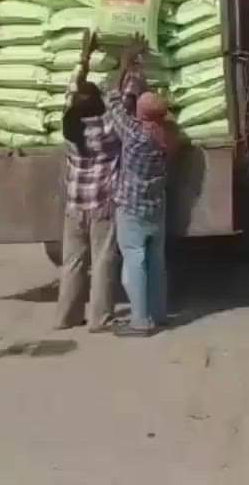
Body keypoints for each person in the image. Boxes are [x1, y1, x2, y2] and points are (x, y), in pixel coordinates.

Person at [86, 35, 181, 337]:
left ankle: (140, 321)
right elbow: (150, 112)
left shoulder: (136, 135)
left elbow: (113, 102)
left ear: (140, 115)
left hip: (132, 209)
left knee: (134, 263)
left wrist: (125, 65)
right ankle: (159, 313)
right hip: (156, 208)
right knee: (156, 262)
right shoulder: (168, 136)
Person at [53, 40, 122, 332]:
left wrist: (84, 58)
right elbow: (118, 100)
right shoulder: (108, 130)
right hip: (102, 207)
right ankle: (99, 318)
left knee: (73, 262)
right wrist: (125, 65)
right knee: (104, 261)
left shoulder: (69, 128)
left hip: (74, 207)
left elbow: (71, 92)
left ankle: (65, 317)